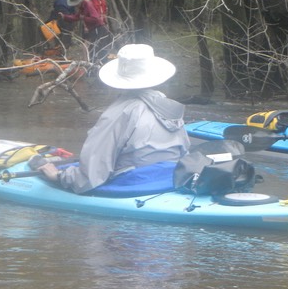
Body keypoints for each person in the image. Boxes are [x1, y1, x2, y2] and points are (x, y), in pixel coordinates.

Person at [32, 44, 191, 194]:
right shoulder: (167, 105)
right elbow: (184, 149)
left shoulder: (120, 112)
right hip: (170, 179)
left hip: (134, 184)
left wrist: (59, 176)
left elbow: (91, 175)